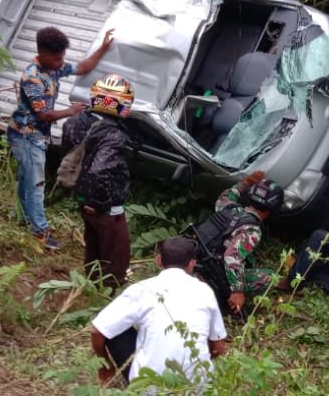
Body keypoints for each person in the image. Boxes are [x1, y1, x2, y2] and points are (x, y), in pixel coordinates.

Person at [7, 26, 115, 251]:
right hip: (25, 135)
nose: (61, 62)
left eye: (62, 58)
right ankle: (40, 232)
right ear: (43, 55)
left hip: (35, 134)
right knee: (36, 184)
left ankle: (22, 217)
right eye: (57, 59)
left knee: (27, 178)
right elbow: (43, 114)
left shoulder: (54, 68)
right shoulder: (32, 78)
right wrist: (71, 111)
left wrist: (104, 48)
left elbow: (83, 67)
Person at [90, 236, 228, 385]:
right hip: (198, 387)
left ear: (158, 260)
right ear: (192, 264)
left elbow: (97, 331)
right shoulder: (205, 291)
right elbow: (218, 348)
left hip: (149, 387)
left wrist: (105, 366)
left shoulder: (142, 289)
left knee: (113, 328)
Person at [64, 74, 136, 287]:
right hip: (105, 205)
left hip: (81, 195)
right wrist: (102, 205)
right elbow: (98, 171)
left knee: (94, 246)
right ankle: (108, 295)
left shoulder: (74, 122)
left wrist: (86, 199)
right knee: (116, 255)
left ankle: (91, 285)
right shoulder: (114, 135)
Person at [186, 171, 283, 316]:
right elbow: (231, 257)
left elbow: (226, 195)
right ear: (273, 209)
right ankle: (289, 284)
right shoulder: (252, 230)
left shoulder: (228, 208)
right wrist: (237, 291)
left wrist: (246, 183)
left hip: (196, 260)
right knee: (269, 275)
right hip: (213, 271)